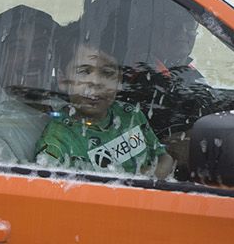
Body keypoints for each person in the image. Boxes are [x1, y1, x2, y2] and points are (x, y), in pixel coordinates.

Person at [36, 32, 172, 178]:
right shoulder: (58, 140)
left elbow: (164, 158)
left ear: (119, 80)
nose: (95, 82)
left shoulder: (130, 114)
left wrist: (149, 177)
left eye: (107, 73)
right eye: (84, 71)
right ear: (63, 80)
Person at [0, 5, 57, 164]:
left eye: (40, 46)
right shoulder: (1, 129)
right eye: (18, 48)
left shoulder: (63, 104)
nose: (32, 57)